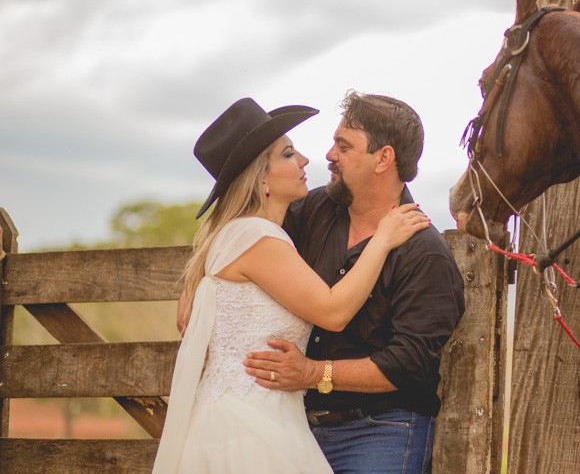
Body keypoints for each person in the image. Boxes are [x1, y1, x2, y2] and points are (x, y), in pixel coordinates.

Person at [153, 98, 430, 473]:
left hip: (277, 420)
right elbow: (333, 312)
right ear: (261, 177)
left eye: (342, 145)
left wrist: (197, 282)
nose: (305, 160)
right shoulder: (258, 236)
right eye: (288, 154)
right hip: (249, 424)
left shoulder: (277, 227)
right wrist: (382, 239)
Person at [243, 91, 466, 474]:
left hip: (382, 430)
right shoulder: (312, 210)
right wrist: (198, 282)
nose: (329, 155)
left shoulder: (424, 252)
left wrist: (314, 373)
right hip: (295, 423)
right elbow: (247, 235)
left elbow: (408, 363)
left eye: (343, 146)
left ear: (383, 159)